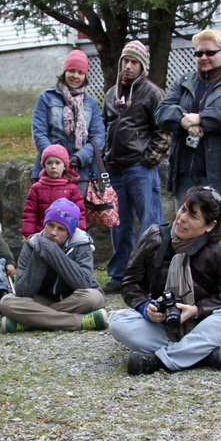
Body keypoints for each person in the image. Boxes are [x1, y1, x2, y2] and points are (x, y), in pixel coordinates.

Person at [108, 186, 221, 374]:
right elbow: (130, 282)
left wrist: (197, 310)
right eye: (183, 209)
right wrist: (144, 306)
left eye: (193, 216)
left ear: (210, 225)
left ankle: (159, 360)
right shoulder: (154, 236)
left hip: (206, 325)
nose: (182, 218)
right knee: (117, 321)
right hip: (166, 326)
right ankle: (201, 355)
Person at [154, 29, 221, 233]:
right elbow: (162, 112)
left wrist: (202, 118)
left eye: (210, 53)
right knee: (183, 238)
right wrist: (184, 120)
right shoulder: (183, 83)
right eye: (199, 53)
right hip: (186, 175)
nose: (203, 57)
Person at [101, 40, 171, 294]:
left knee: (151, 224)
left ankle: (151, 276)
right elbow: (104, 127)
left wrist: (149, 159)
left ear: (142, 66)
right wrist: (103, 157)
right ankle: (119, 276)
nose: (127, 67)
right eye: (125, 61)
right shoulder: (111, 93)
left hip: (140, 168)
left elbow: (165, 130)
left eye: (133, 62)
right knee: (118, 226)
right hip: (115, 169)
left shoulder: (153, 92)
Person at [0, 198, 107, 332]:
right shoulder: (32, 244)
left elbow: (84, 284)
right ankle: (79, 321)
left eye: (61, 229)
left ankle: (30, 321)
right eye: (50, 225)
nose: (53, 232)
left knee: (94, 298)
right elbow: (23, 291)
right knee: (6, 302)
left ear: (70, 233)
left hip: (73, 299)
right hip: (40, 300)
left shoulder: (81, 244)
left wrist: (54, 252)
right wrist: (41, 252)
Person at [31, 49, 106, 192]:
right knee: (49, 214)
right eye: (72, 71)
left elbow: (99, 137)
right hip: (50, 171)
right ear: (64, 72)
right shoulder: (46, 98)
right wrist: (57, 159)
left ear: (85, 76)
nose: (75, 76)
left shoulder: (91, 103)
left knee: (79, 214)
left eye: (80, 72)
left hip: (82, 173)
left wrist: (80, 157)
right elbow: (39, 133)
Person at [21, 144, 86, 237]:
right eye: (49, 163)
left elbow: (79, 214)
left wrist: (79, 235)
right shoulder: (36, 188)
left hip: (63, 236)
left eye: (57, 163)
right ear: (44, 165)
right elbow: (29, 213)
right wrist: (28, 234)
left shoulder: (72, 189)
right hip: (40, 235)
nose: (53, 166)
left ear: (64, 166)